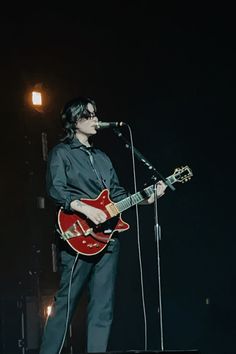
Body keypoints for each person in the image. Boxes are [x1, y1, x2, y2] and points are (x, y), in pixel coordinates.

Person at [39, 96, 167, 354]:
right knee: (66, 302)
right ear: (75, 120)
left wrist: (147, 197)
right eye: (89, 115)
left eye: (96, 114)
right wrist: (84, 207)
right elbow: (55, 189)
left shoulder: (102, 157)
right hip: (78, 234)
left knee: (103, 306)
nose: (96, 119)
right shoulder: (62, 152)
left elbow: (118, 195)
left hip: (108, 239)